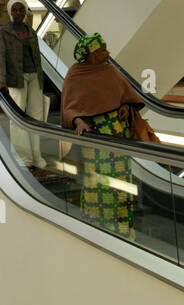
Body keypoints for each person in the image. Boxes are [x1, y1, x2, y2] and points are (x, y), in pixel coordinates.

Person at [60, 33, 146, 239]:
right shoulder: (75, 74)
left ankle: (124, 230)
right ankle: (98, 230)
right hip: (96, 140)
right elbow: (68, 107)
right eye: (101, 50)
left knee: (122, 186)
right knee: (97, 184)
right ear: (89, 54)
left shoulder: (110, 71)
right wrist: (78, 121)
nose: (107, 53)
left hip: (118, 140)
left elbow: (127, 95)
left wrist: (126, 105)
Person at [0, 0, 45, 169]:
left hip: (34, 76)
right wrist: (1, 79)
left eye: (21, 10)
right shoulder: (3, 31)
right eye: (14, 10)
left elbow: (36, 56)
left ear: (25, 12)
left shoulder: (30, 31)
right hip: (16, 77)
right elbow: (0, 57)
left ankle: (37, 156)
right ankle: (23, 157)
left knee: (36, 117)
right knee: (17, 117)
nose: (18, 13)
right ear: (10, 11)